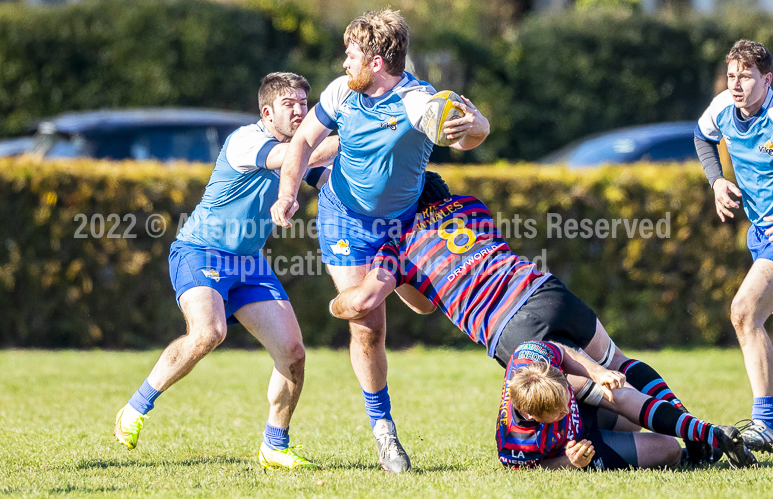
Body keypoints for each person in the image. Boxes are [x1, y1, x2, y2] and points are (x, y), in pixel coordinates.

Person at [329, 172, 726, 465]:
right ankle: (694, 432)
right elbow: (434, 290)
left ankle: (590, 450)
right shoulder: (470, 207)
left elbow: (367, 302)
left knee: (584, 392)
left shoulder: (398, 247)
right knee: (618, 365)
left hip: (510, 327)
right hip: (545, 290)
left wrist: (339, 299)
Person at [269, 9, 490, 473]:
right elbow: (304, 139)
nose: (343, 61)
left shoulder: (416, 101)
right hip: (344, 217)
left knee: (428, 305)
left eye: (351, 54)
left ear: (375, 62)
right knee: (369, 325)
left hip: (403, 225)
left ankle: (347, 297)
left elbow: (470, 135)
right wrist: (289, 191)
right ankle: (384, 432)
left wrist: (472, 126)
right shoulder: (340, 92)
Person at [112, 72, 338, 470]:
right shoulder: (246, 141)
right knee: (209, 332)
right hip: (201, 253)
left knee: (293, 353)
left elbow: (333, 176)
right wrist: (360, 133)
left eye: (305, 103)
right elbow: (295, 158)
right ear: (267, 112)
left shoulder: (299, 150)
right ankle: (135, 408)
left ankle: (274, 445)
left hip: (250, 263)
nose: (301, 111)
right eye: (291, 105)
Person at [499, 341, 754, 470]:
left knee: (630, 398)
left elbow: (561, 352)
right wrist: (571, 461)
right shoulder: (516, 443)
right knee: (669, 449)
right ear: (532, 415)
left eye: (567, 401)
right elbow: (530, 471)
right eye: (559, 413)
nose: (568, 411)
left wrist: (596, 371)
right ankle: (689, 454)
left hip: (589, 416)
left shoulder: (529, 356)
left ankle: (698, 433)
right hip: (580, 447)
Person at [694, 39, 773, 453]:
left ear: (767, 79)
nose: (737, 84)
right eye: (732, 75)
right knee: (751, 318)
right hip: (760, 234)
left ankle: (766, 423)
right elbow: (701, 136)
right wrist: (717, 180)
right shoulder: (723, 107)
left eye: (746, 76)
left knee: (745, 312)